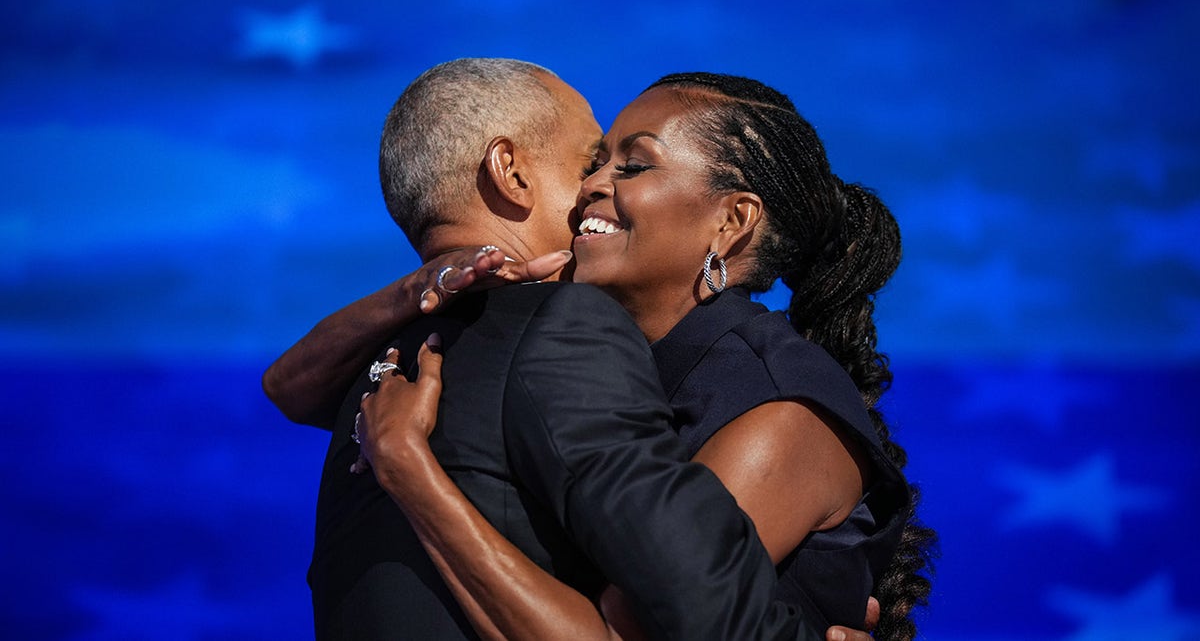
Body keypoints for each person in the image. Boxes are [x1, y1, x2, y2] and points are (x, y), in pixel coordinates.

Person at [266, 58, 874, 640]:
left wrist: (411, 472)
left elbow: (650, 629)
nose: (592, 187)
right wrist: (422, 288)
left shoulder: (772, 404)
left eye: (631, 166)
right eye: (595, 160)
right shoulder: (560, 353)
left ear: (731, 222)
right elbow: (290, 388)